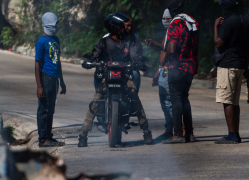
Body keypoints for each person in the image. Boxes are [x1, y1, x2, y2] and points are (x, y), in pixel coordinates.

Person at [78, 12, 154, 147]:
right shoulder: (104, 41)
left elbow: (134, 55)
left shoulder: (128, 40)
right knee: (95, 101)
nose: (123, 27)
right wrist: (89, 61)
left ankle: (146, 132)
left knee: (135, 97)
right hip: (106, 77)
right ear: (113, 27)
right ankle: (83, 135)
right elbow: (95, 54)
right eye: (120, 25)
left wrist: (139, 62)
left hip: (124, 76)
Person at [213, 0, 249, 144]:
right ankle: (236, 133)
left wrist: (215, 26)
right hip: (240, 65)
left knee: (227, 101)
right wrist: (246, 67)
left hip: (227, 65)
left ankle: (231, 135)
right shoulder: (245, 22)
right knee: (235, 102)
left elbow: (218, 43)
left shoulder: (228, 22)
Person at [161, 0, 200, 144]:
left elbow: (171, 49)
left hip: (177, 67)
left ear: (172, 11)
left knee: (176, 99)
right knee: (184, 99)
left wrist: (166, 60)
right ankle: (189, 134)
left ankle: (177, 134)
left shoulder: (175, 24)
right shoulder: (192, 21)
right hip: (190, 67)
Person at [35, 12, 67, 148]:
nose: (57, 26)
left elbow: (58, 62)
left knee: (50, 109)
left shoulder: (56, 40)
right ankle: (43, 139)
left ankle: (48, 136)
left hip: (54, 79)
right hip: (45, 77)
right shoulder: (41, 42)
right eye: (55, 24)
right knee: (43, 109)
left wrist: (62, 81)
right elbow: (37, 65)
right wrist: (39, 86)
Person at [145, 9, 174, 141]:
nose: (165, 21)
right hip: (163, 72)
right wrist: (157, 74)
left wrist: (155, 44)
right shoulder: (167, 32)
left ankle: (180, 128)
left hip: (169, 71)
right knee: (164, 103)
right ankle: (169, 130)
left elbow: (168, 50)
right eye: (164, 18)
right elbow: (162, 56)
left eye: (168, 19)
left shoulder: (174, 31)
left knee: (170, 102)